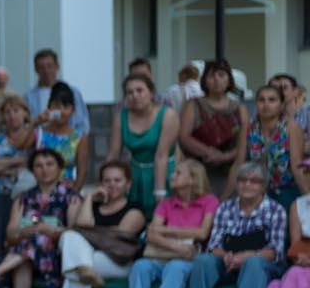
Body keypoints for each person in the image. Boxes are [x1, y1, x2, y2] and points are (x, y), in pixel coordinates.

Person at [180, 160, 286, 288]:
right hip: (227, 260)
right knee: (202, 261)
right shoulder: (225, 208)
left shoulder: (275, 210)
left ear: (263, 186)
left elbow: (275, 251)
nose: (247, 184)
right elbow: (213, 245)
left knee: (254, 263)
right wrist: (227, 256)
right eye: (243, 180)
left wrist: (245, 256)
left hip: (260, 263)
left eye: (254, 181)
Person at [118, 159, 217, 288]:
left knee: (176, 267)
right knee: (140, 266)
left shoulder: (209, 201)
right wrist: (177, 245)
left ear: (192, 179)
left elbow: (203, 233)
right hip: (164, 254)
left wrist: (166, 230)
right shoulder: (166, 203)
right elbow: (151, 233)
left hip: (189, 260)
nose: (172, 176)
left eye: (178, 173)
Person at [0, 147, 77, 288]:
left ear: (59, 167)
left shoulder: (71, 197)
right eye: (38, 165)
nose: (44, 169)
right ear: (32, 170)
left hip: (57, 255)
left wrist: (52, 232)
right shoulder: (23, 198)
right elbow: (11, 232)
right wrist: (23, 232)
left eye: (50, 164)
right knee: (26, 253)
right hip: (27, 253)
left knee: (31, 245)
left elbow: (75, 232)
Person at [53, 161, 146, 288]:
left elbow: (121, 235)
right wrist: (88, 198)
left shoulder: (135, 209)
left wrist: (89, 235)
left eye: (117, 180)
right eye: (107, 181)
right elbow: (80, 228)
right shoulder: (94, 207)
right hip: (94, 260)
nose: (112, 185)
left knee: (80, 261)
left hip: (120, 262)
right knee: (70, 237)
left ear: (128, 184)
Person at [106, 72, 177, 216]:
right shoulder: (121, 117)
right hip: (136, 173)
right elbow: (113, 155)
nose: (135, 96)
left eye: (139, 90)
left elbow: (161, 155)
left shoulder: (168, 114)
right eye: (129, 92)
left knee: (161, 216)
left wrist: (160, 191)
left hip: (163, 172)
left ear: (151, 93)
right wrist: (106, 184)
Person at [178, 59, 248, 198]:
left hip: (230, 170)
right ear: (204, 80)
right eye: (211, 76)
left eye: (221, 75)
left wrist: (224, 156)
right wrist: (209, 152)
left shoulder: (239, 108)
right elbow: (183, 137)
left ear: (229, 80)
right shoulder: (193, 105)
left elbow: (245, 142)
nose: (216, 80)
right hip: (199, 170)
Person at [0, 93, 33, 273]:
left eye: (16, 110)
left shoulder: (34, 137)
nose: (11, 115)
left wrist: (0, 165)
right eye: (7, 112)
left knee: (20, 243)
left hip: (25, 201)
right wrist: (16, 162)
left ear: (26, 113)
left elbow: (34, 165)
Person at [262, 189, 310, 288]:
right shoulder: (299, 204)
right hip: (306, 260)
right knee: (295, 274)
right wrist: (302, 257)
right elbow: (296, 246)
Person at [245, 83, 307, 207]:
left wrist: (307, 196)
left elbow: (297, 166)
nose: (266, 104)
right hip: (255, 192)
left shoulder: (291, 127)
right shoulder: (248, 128)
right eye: (261, 100)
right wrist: (226, 196)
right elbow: (239, 163)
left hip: (285, 192)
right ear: (256, 104)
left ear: (281, 105)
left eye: (272, 100)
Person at [34, 82, 89, 185]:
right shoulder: (39, 133)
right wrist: (36, 121)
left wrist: (74, 195)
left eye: (66, 106)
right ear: (49, 107)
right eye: (57, 106)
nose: (62, 111)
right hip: (40, 193)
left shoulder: (79, 137)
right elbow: (19, 143)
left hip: (66, 193)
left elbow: (82, 172)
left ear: (72, 110)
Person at [25, 49, 89, 137]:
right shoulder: (28, 97)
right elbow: (25, 125)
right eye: (41, 67)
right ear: (36, 69)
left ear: (57, 66)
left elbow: (82, 123)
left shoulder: (73, 92)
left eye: (49, 66)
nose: (46, 71)